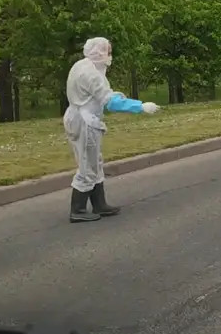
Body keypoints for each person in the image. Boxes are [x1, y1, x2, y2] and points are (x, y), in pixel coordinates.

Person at [63, 37, 160, 222]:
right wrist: (140, 107)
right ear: (99, 52)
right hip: (85, 122)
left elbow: (100, 95)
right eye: (108, 51)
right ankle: (78, 210)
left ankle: (99, 204)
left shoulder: (83, 66)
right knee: (88, 165)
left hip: (80, 118)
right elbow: (110, 102)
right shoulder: (91, 74)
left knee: (94, 162)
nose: (110, 55)